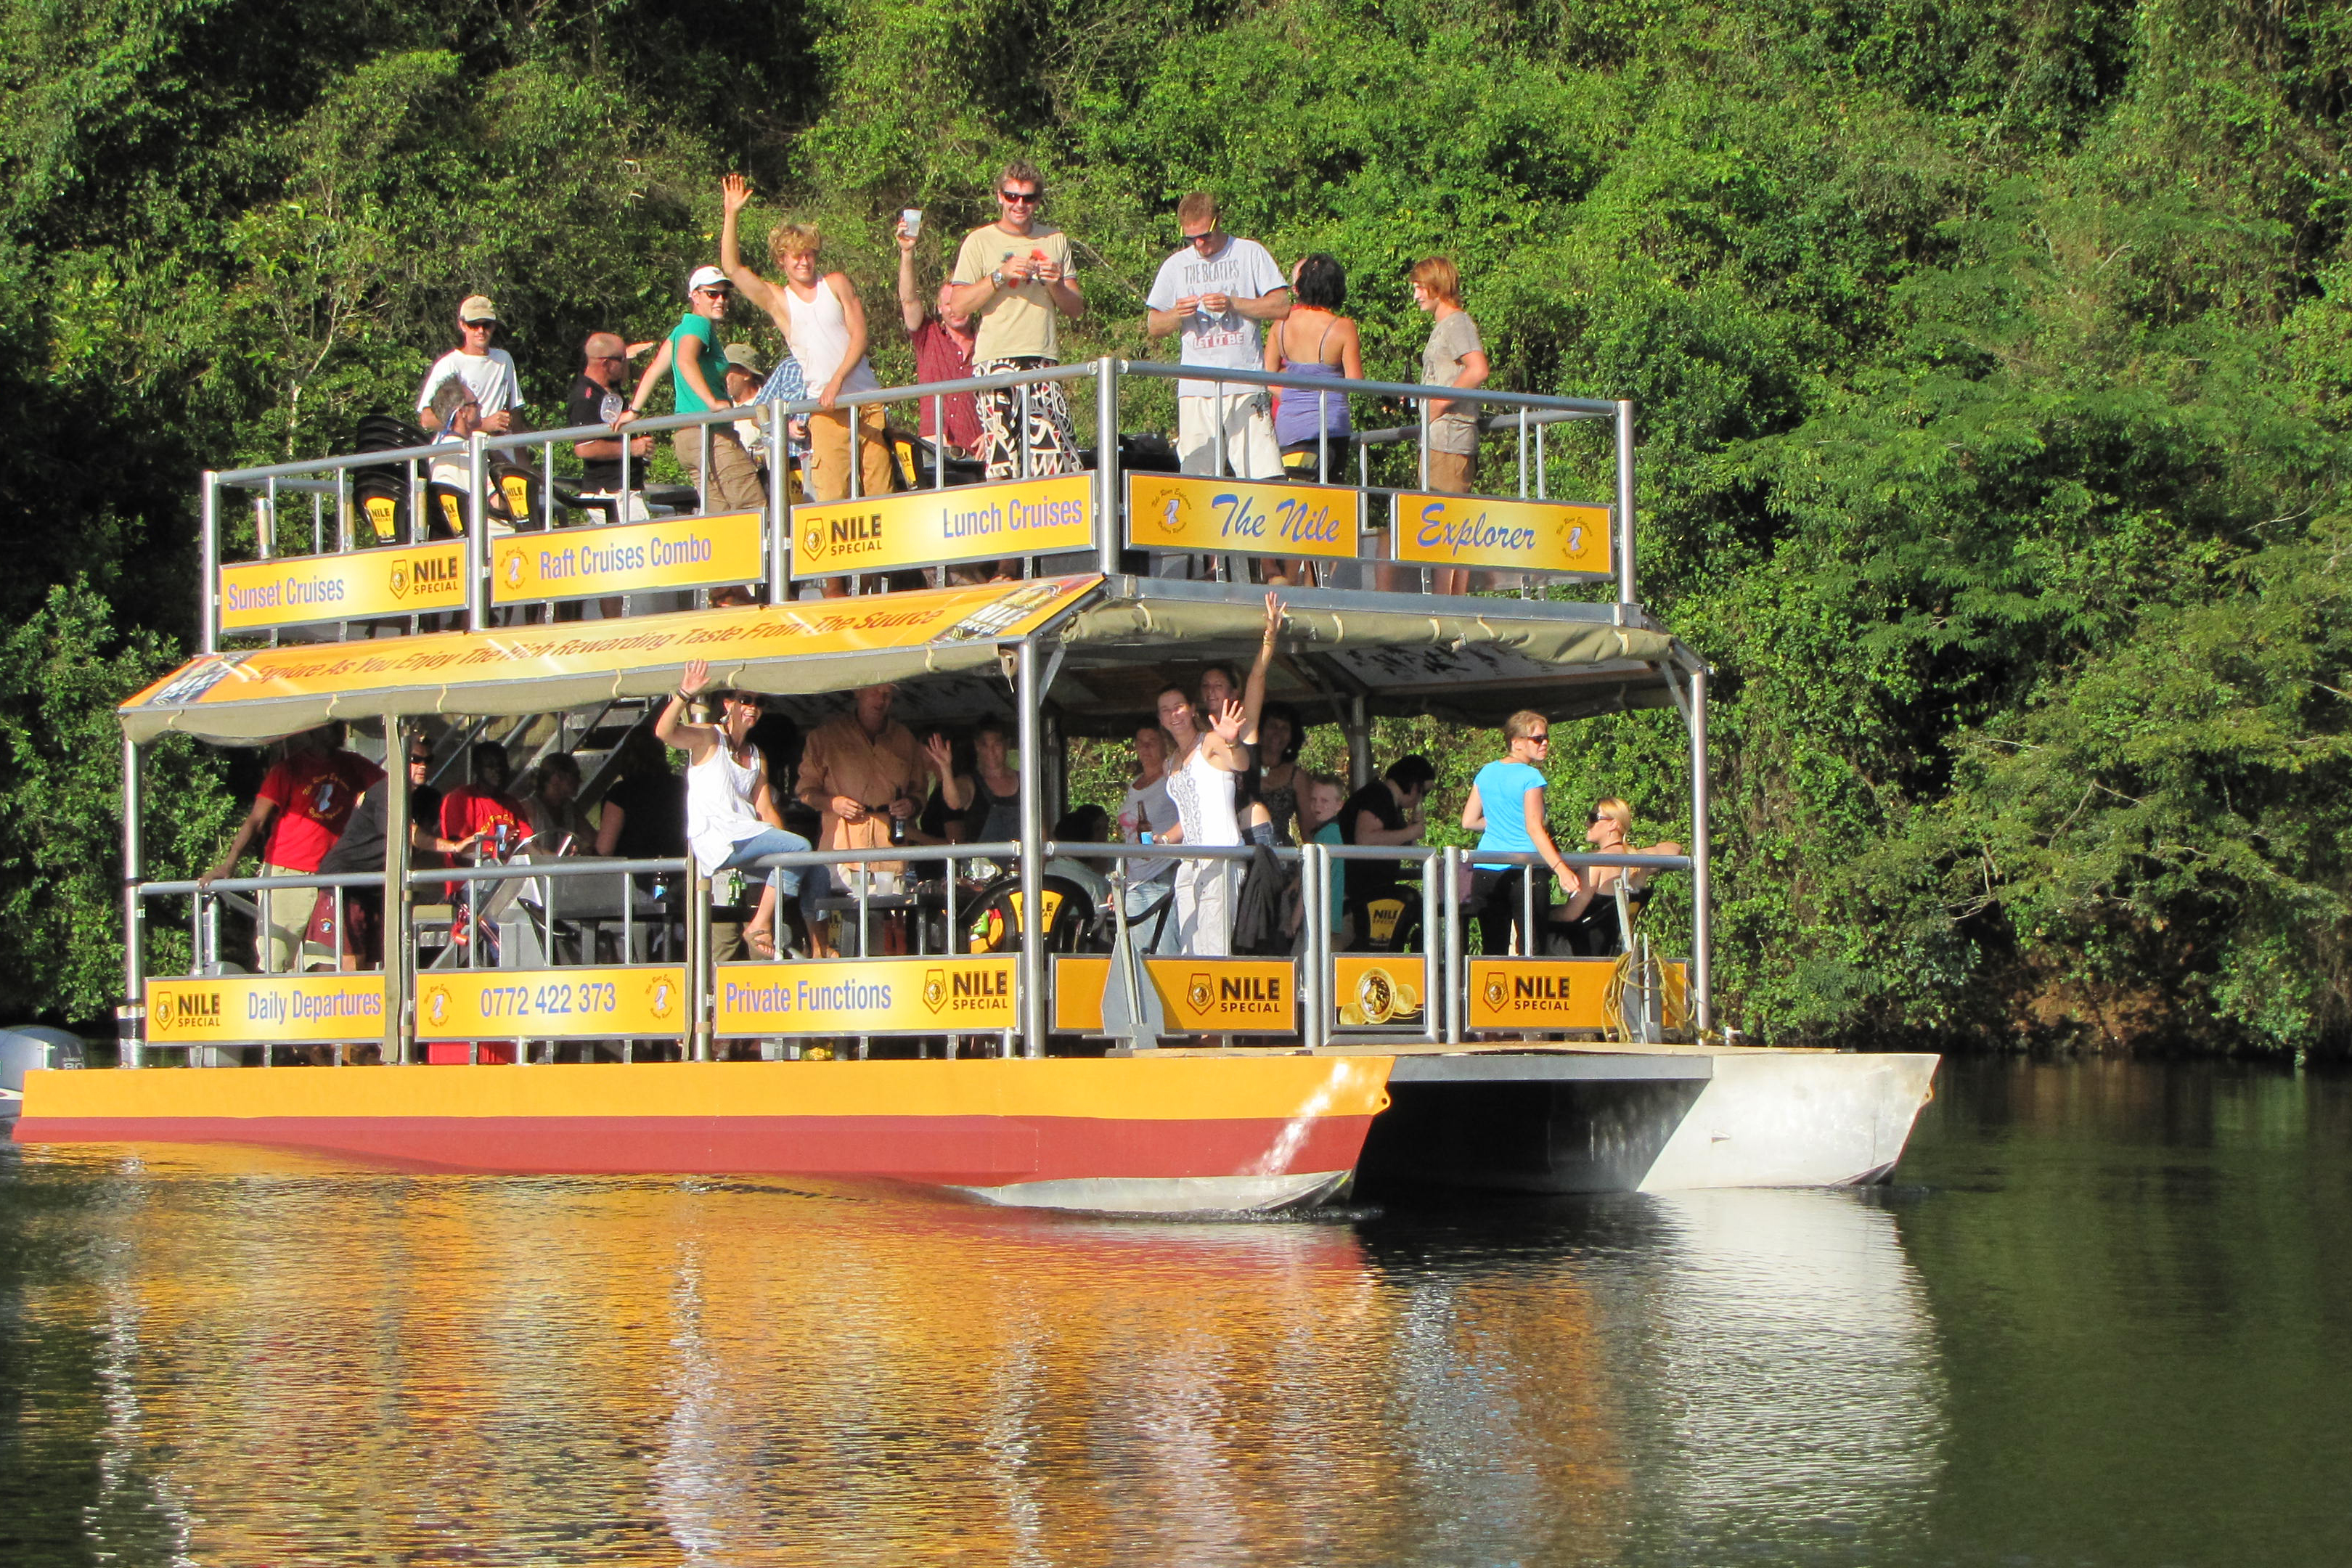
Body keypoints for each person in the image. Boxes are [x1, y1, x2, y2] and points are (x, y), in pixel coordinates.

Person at [717, 176, 896, 513]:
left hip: (866, 400)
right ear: (782, 260)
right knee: (832, 495)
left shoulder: (836, 283)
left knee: (880, 490)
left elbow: (860, 336)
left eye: (809, 254)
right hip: (826, 410)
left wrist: (838, 380)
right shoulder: (780, 301)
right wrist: (731, 214)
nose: (804, 262)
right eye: (796, 256)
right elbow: (733, 269)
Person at [198, 726, 385, 973]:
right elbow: (257, 820)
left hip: (332, 876)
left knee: (328, 960)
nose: (338, 731)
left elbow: (393, 787)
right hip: (288, 873)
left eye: (339, 725)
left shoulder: (353, 765)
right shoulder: (288, 770)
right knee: (276, 957)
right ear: (313, 732)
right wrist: (229, 865)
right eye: (330, 726)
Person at [947, 160, 1087, 481]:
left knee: (1053, 462)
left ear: (1038, 200)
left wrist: (1055, 284)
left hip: (1042, 361)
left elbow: (1077, 309)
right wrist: (1000, 275)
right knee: (1002, 465)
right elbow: (958, 305)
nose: (1019, 205)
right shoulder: (979, 241)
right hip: (995, 361)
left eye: (1028, 198)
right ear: (1000, 196)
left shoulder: (1055, 240)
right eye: (1012, 196)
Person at [659, 663, 809, 958]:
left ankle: (821, 948)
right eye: (746, 700)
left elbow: (765, 807)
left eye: (759, 702)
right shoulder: (709, 736)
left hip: (748, 838)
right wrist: (683, 694)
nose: (753, 707)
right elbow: (664, 732)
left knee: (811, 866)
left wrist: (783, 847)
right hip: (719, 839)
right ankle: (760, 925)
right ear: (728, 704)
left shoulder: (756, 754)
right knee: (801, 848)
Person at [795, 684, 957, 957]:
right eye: (874, 692)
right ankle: (832, 964)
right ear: (857, 691)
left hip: (889, 850)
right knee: (842, 915)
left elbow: (919, 791)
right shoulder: (826, 736)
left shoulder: (904, 738)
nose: (881, 700)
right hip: (842, 847)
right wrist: (833, 803)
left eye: (887, 695)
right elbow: (805, 792)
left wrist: (911, 804)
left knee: (885, 921)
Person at [1143, 192, 1289, 479]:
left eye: (1205, 236)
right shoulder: (1175, 265)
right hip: (1196, 387)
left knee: (1264, 473)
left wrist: (1233, 303)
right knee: (1197, 476)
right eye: (1191, 239)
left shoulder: (1250, 252)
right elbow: (1154, 325)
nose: (1199, 244)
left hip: (1245, 381)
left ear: (1218, 221)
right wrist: (1177, 314)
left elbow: (1281, 306)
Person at [311, 739, 479, 974]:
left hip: (376, 886)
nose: (423, 766)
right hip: (345, 881)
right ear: (399, 761)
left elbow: (424, 839)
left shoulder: (425, 797)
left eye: (428, 760)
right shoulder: (386, 791)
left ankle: (368, 1001)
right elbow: (408, 834)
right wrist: (454, 847)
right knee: (351, 962)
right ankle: (326, 997)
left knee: (372, 962)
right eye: (415, 760)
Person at [616, 266, 765, 514]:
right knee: (754, 509)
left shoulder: (682, 328)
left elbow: (654, 370)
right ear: (695, 296)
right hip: (711, 433)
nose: (720, 300)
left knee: (721, 516)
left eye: (725, 294)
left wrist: (634, 411)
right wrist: (712, 403)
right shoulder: (699, 325)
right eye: (712, 294)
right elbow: (685, 361)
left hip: (687, 437)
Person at [1461, 711, 1582, 957]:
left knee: (1492, 949)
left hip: (1486, 868)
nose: (1544, 743)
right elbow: (1534, 828)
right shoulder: (1530, 776)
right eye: (1537, 739)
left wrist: (1501, 820)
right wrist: (1561, 869)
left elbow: (1469, 821)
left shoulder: (1486, 772)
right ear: (1516, 743)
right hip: (1525, 871)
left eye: (1546, 737)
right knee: (1532, 948)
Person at [1154, 684, 1253, 957]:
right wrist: (1164, 839)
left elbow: (1241, 763)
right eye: (1166, 710)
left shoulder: (1210, 741)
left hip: (1221, 857)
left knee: (1215, 949)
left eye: (1178, 707)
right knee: (1189, 950)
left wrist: (1232, 741)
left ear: (1192, 709)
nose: (1174, 714)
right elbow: (1188, 817)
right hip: (1188, 864)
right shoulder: (1170, 762)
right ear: (1161, 719)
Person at [1413, 256, 1490, 590]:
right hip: (1436, 440)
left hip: (1450, 440)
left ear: (1437, 286)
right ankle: (1442, 600)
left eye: (1420, 287)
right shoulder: (1443, 326)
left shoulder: (1457, 322)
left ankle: (1450, 604)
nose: (1416, 295)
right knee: (1436, 527)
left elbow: (1478, 369)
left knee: (1449, 527)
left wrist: (1439, 403)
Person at [896, 210, 984, 459]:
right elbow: (908, 299)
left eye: (960, 302)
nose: (955, 309)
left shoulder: (988, 342)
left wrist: (995, 432)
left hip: (979, 453)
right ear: (938, 308)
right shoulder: (928, 335)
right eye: (948, 304)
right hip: (934, 451)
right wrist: (907, 253)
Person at [1268, 253, 1360, 480]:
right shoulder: (1343, 327)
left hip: (1289, 425)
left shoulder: (1280, 324)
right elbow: (1356, 381)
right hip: (1330, 424)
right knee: (1328, 494)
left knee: (1296, 493)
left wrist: (1293, 395)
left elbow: (1268, 377)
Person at [1551, 798, 1682, 957]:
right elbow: (1674, 848)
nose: (1587, 824)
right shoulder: (1639, 862)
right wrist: (1637, 853)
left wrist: (1542, 916)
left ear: (1613, 824)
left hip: (1585, 950)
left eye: (1593, 818)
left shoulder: (1594, 863)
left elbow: (1570, 914)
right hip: (1618, 948)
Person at [1339, 754, 1437, 950]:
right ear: (1414, 785)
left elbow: (1397, 842)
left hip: (1370, 889)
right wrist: (1411, 832)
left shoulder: (1392, 804)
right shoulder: (1378, 796)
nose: (1421, 799)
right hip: (1357, 893)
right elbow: (1365, 839)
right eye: (1423, 792)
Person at [415, 295, 525, 436]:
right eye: (474, 325)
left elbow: (516, 412)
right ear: (462, 325)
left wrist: (520, 449)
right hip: (463, 446)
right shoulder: (449, 364)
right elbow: (427, 420)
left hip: (498, 446)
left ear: (494, 326)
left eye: (486, 325)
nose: (481, 331)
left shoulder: (504, 360)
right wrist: (483, 424)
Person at [566, 333, 655, 497]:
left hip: (625, 489)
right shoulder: (585, 398)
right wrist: (632, 448)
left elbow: (623, 377)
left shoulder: (609, 390)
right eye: (622, 360)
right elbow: (585, 448)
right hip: (608, 493)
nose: (625, 364)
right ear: (606, 364)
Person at [595, 724, 687, 864]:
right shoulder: (682, 786)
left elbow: (605, 849)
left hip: (634, 870)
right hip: (679, 865)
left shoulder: (621, 793)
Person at [1288, 771, 1349, 950]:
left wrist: (1295, 919)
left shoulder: (1327, 835)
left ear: (1339, 805)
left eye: (1324, 801)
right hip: (1329, 918)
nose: (1317, 805)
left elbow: (1311, 881)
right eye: (1313, 800)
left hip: (1320, 919)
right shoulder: (1331, 832)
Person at [963, 719, 1022, 846]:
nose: (991, 752)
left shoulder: (1026, 783)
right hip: (981, 859)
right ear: (977, 746)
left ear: (1007, 744)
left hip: (1022, 858)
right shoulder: (969, 783)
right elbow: (954, 802)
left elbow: (1041, 828)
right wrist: (945, 767)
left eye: (997, 745)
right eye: (985, 746)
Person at [521, 753, 589, 854]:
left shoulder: (570, 809)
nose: (580, 781)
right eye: (576, 775)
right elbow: (530, 848)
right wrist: (561, 861)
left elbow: (592, 840)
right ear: (556, 778)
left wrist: (584, 848)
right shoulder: (528, 809)